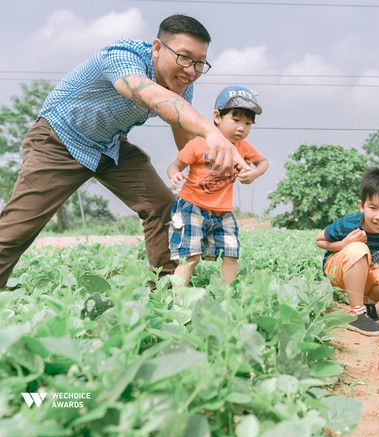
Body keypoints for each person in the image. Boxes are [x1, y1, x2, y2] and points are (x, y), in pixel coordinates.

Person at [0, 14, 249, 289]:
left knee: (162, 205)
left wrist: (221, 165)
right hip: (60, 140)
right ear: (157, 48)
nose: (190, 70)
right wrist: (212, 132)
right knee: (17, 229)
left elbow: (187, 144)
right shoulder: (122, 56)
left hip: (109, 146)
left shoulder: (182, 88)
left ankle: (166, 295)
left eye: (199, 63)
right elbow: (151, 96)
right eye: (183, 57)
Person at [167, 86, 269, 287]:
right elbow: (175, 165)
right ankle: (177, 302)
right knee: (190, 257)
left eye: (248, 123)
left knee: (231, 253)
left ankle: (229, 297)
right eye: (236, 120)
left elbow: (263, 162)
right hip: (192, 206)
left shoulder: (244, 148)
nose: (242, 127)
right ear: (217, 117)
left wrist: (254, 174)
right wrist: (175, 175)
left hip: (222, 211)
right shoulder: (199, 143)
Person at [316, 168, 379, 336]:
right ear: (362, 206)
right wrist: (344, 243)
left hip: (368, 274)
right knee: (358, 248)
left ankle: (367, 301)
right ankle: (357, 314)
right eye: (373, 208)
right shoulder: (349, 224)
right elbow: (319, 240)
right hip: (338, 273)